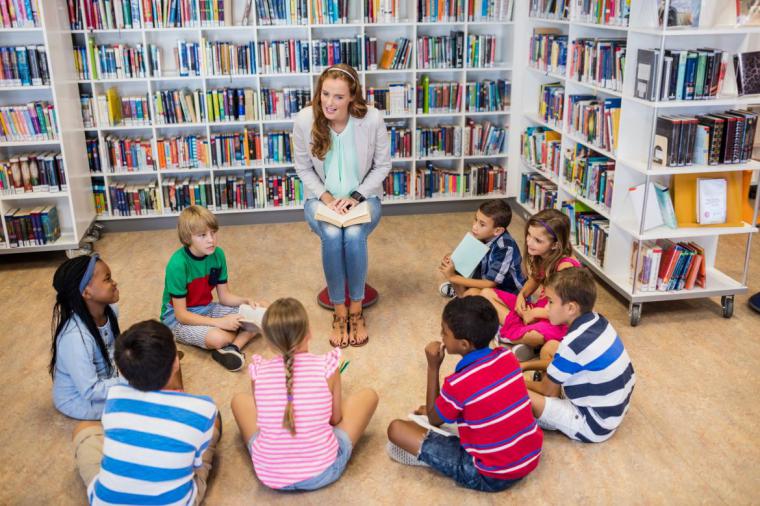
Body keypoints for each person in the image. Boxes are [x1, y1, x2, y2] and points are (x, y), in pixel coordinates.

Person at [386, 296, 542, 492]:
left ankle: (433, 458)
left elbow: (434, 419)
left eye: (445, 332)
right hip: (531, 455)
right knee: (448, 411)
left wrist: (433, 367)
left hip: (491, 476)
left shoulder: (458, 383)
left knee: (396, 430)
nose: (441, 336)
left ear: (464, 345)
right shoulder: (507, 357)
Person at [231, 297, 378, 491]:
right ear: (309, 332)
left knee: (238, 401)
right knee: (369, 396)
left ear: (268, 340)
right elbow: (335, 420)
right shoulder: (327, 366)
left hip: (270, 474)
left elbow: (262, 417)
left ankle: (280, 454)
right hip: (323, 471)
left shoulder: (258, 372)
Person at [293, 63, 392, 348]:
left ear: (352, 96)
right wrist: (326, 198)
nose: (329, 103)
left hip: (364, 200)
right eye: (325, 94)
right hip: (319, 201)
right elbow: (302, 168)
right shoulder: (304, 120)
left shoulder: (372, 119)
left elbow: (382, 165)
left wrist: (356, 197)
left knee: (354, 234)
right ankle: (340, 315)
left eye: (338, 96)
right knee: (334, 235)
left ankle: (357, 313)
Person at [72, 320, 220, 504]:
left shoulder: (114, 396)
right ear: (176, 363)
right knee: (213, 425)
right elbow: (194, 465)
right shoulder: (204, 409)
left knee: (84, 428)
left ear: (123, 373)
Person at [525, 268, 636, 443]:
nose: (547, 307)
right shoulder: (598, 320)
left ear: (571, 308)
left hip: (593, 425)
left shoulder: (573, 344)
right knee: (551, 347)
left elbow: (545, 390)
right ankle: (553, 390)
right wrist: (523, 366)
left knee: (517, 392)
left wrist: (514, 377)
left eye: (551, 301)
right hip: (614, 410)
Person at [160, 205, 262, 372]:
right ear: (188, 237)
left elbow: (224, 297)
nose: (211, 240)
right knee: (219, 337)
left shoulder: (218, 255)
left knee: (261, 310)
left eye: (213, 233)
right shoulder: (177, 264)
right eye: (202, 235)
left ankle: (233, 348)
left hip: (207, 308)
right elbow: (181, 314)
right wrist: (220, 322)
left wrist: (245, 300)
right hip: (178, 320)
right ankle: (231, 341)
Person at [480, 208, 580, 361]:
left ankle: (515, 337)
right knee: (486, 293)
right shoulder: (543, 255)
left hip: (557, 320)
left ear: (555, 245)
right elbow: (534, 280)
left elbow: (567, 310)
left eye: (537, 240)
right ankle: (520, 339)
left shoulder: (566, 268)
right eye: (529, 235)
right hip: (539, 309)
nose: (529, 242)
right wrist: (521, 295)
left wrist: (534, 313)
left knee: (537, 335)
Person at [51, 253, 124, 420]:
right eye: (107, 279)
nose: (114, 283)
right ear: (86, 292)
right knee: (139, 402)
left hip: (106, 382)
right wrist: (129, 381)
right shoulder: (75, 337)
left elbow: (112, 349)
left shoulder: (111, 311)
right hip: (79, 400)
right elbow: (90, 390)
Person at [438, 199, 525, 298]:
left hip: (506, 291)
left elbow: (490, 284)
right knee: (453, 262)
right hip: (484, 275)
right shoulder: (481, 234)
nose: (475, 226)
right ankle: (461, 296)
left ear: (497, 231)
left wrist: (453, 278)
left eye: (482, 224)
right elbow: (466, 257)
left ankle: (465, 298)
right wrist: (452, 258)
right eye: (476, 219)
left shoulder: (505, 247)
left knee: (472, 292)